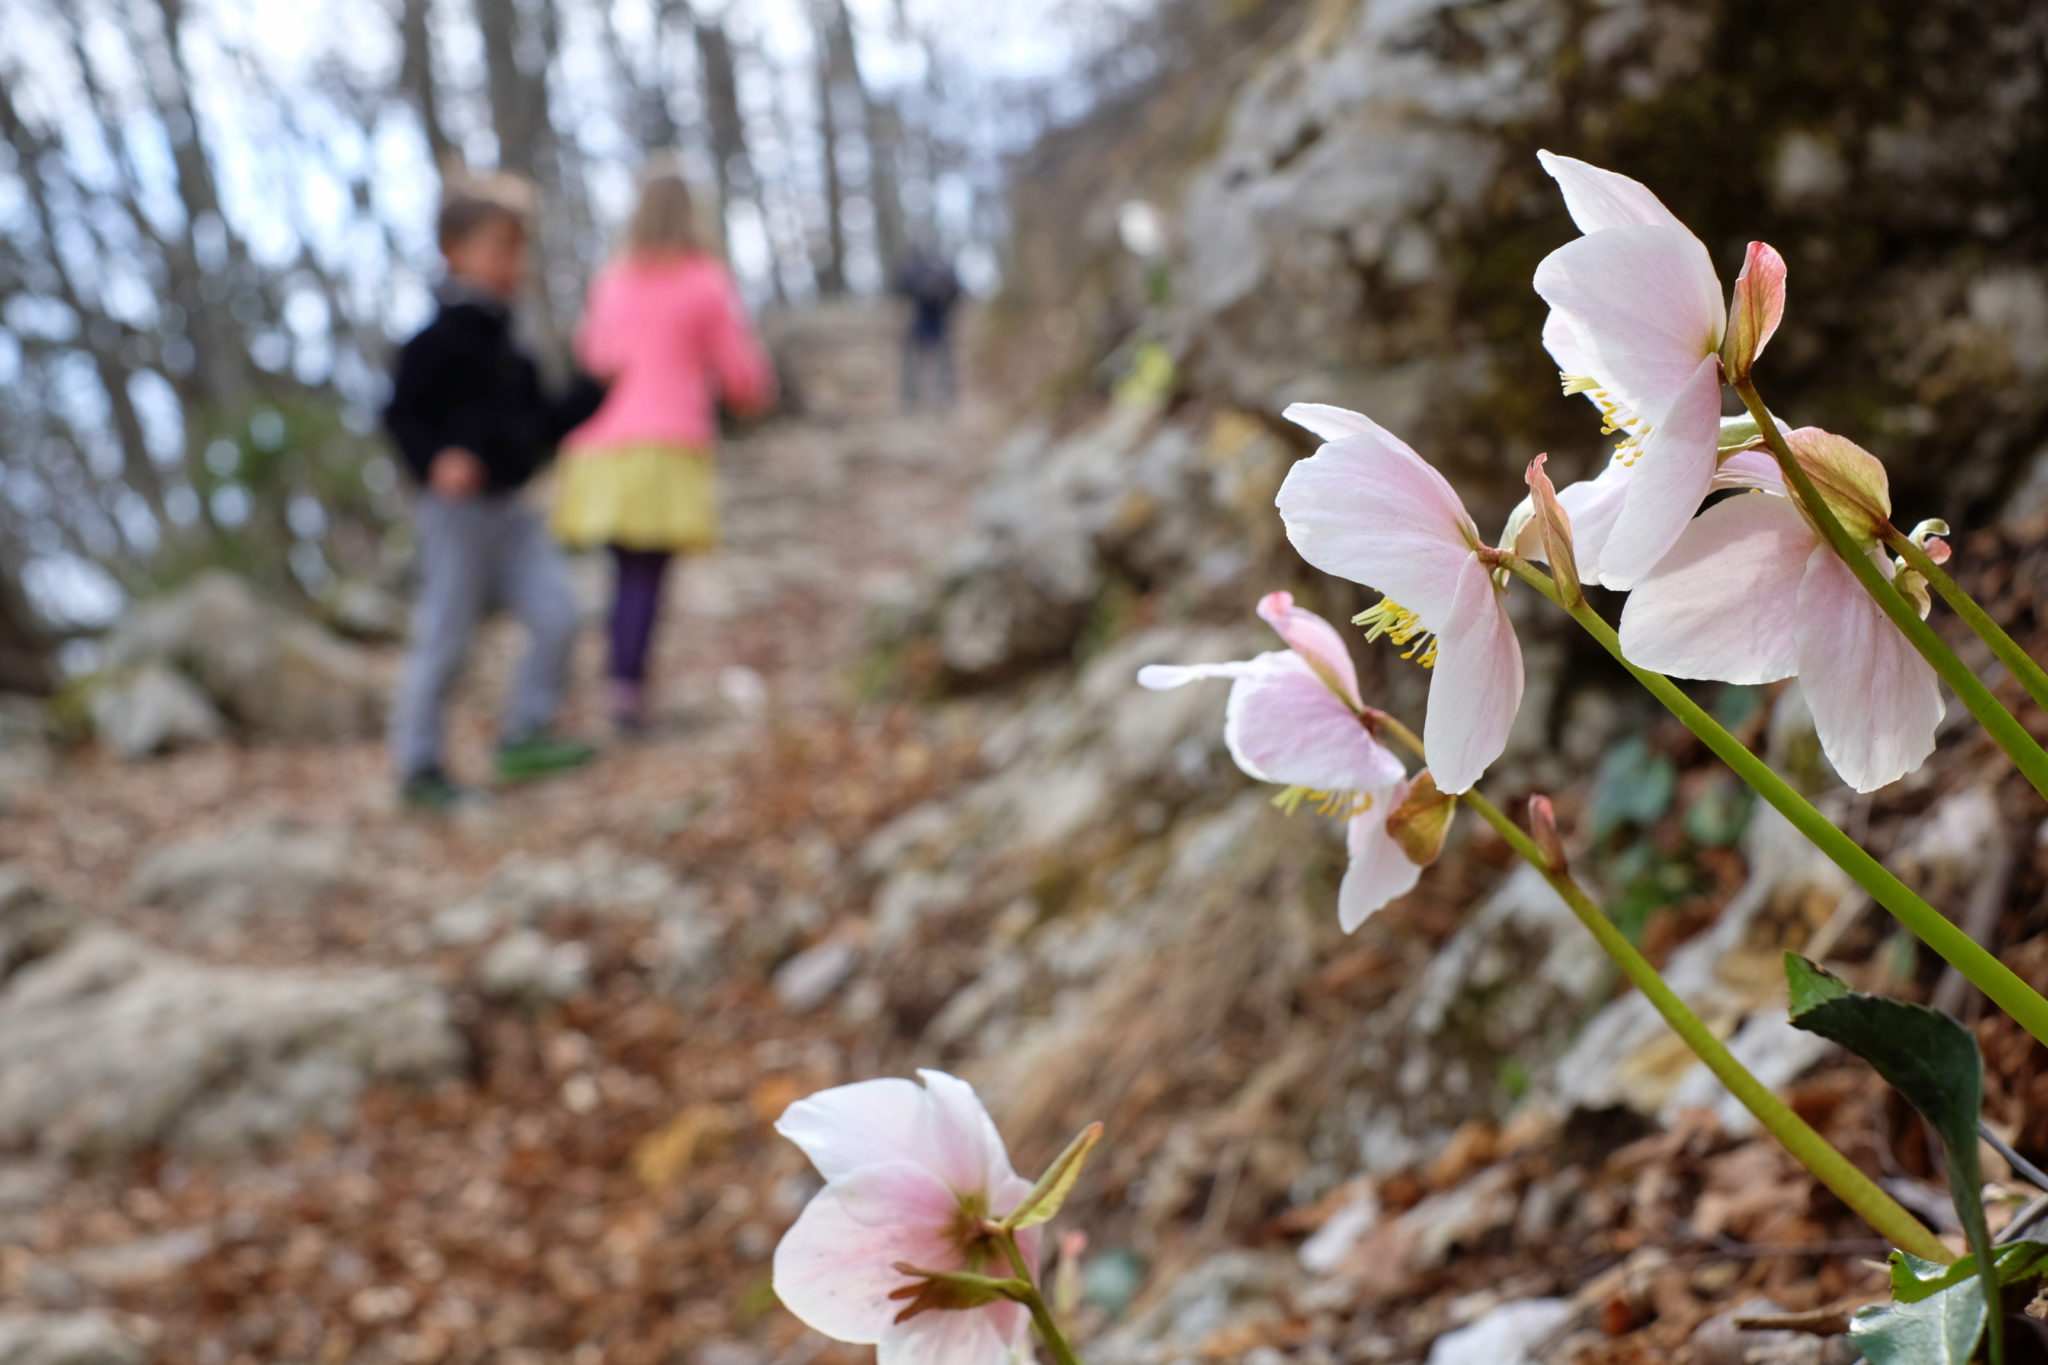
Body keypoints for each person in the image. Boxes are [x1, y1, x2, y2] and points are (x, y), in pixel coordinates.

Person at [383, 180, 605, 809]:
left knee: (559, 614)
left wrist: (595, 388)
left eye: (518, 249)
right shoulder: (435, 340)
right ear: (455, 251)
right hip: (456, 515)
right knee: (446, 635)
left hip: (516, 510)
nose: (513, 263)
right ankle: (418, 764)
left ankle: (525, 732)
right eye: (499, 248)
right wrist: (436, 461)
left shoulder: (517, 347)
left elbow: (543, 428)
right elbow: (400, 417)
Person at [552, 165, 774, 733]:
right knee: (646, 575)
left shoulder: (612, 282)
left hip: (600, 444)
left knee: (623, 570)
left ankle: (619, 683)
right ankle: (626, 691)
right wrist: (749, 392)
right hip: (664, 441)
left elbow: (594, 359)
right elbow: (742, 374)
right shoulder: (705, 281)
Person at [896, 244, 961, 408]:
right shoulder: (939, 273)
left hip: (933, 323)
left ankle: (931, 399)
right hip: (924, 323)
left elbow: (955, 294)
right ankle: (917, 399)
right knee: (924, 364)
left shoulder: (918, 272)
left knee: (938, 364)